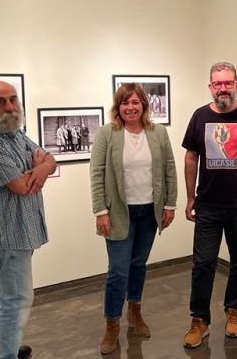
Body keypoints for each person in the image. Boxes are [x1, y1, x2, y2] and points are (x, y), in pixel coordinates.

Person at [181, 62, 237, 348]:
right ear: (210, 86)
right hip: (207, 204)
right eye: (217, 83)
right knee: (203, 264)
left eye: (228, 83)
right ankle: (199, 320)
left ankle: (234, 310)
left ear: (236, 85)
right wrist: (190, 197)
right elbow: (190, 158)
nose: (223, 88)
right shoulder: (199, 116)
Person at [0, 80, 56, 359]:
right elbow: (20, 187)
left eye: (13, 99)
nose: (9, 106)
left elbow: (51, 159)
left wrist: (41, 167)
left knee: (7, 296)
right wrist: (40, 169)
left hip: (21, 229)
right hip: (7, 233)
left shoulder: (14, 133)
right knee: (16, 299)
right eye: (0, 101)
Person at [90, 83, 178, 354]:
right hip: (118, 212)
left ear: (144, 106)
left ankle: (135, 313)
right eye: (125, 103)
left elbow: (169, 169)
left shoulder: (158, 132)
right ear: (118, 107)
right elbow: (96, 173)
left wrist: (170, 204)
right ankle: (112, 324)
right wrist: (100, 211)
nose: (130, 107)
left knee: (138, 265)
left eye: (135, 103)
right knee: (118, 270)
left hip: (149, 211)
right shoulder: (108, 133)